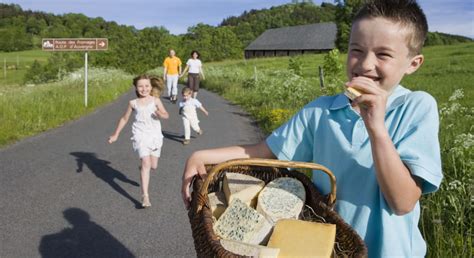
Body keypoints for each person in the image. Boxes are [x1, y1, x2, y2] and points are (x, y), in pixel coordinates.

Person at [181, 1, 442, 257]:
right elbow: (262, 152)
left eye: (383, 54)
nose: (364, 64)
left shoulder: (416, 107)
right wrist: (201, 156)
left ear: (413, 63)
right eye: (356, 50)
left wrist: (376, 127)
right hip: (331, 250)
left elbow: (403, 202)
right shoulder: (320, 111)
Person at [109, 74, 169, 208]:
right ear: (136, 87)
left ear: (151, 87)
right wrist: (116, 134)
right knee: (146, 162)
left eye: (146, 86)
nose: (144, 89)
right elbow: (124, 119)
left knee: (153, 166)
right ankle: (145, 196)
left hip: (154, 135)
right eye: (140, 86)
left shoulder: (156, 100)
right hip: (140, 135)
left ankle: (143, 167)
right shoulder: (133, 103)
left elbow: (166, 114)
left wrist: (160, 114)